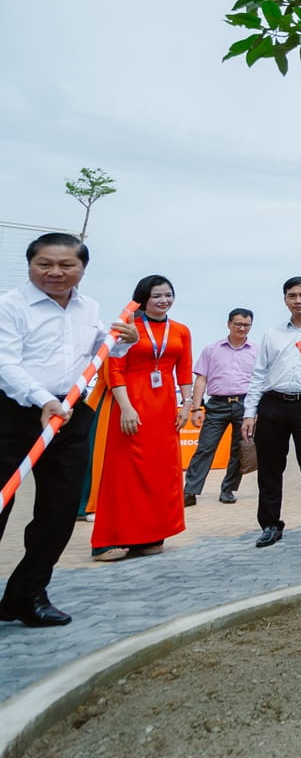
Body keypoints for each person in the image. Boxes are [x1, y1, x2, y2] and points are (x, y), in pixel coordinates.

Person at [0, 233, 137, 626]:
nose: (55, 273)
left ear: (82, 269)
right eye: (45, 264)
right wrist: (42, 399)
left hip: (71, 413)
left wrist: (124, 341)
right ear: (30, 264)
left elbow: (100, 349)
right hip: (14, 410)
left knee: (59, 510)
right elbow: (5, 364)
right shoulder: (9, 307)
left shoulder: (88, 307)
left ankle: (26, 595)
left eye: (66, 265)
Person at [91, 275, 193, 562]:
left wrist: (187, 405)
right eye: (157, 296)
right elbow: (114, 369)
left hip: (164, 408)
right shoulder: (126, 327)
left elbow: (184, 370)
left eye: (168, 295)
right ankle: (107, 539)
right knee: (124, 473)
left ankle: (150, 535)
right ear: (143, 299)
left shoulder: (181, 331)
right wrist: (125, 406)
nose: (163, 301)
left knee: (161, 472)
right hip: (131, 405)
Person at [243, 277, 301, 551]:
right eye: (292, 295)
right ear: (285, 299)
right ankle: (270, 524)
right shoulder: (272, 333)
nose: (298, 300)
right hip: (273, 404)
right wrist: (250, 412)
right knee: (270, 468)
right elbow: (259, 373)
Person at [183, 308, 255, 507]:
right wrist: (196, 408)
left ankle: (228, 490)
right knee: (205, 448)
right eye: (238, 324)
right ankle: (190, 491)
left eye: (246, 325)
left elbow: (261, 382)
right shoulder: (211, 350)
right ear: (229, 324)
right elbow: (201, 379)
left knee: (240, 450)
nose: (242, 328)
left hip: (245, 404)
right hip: (217, 404)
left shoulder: (256, 351)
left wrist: (255, 411)